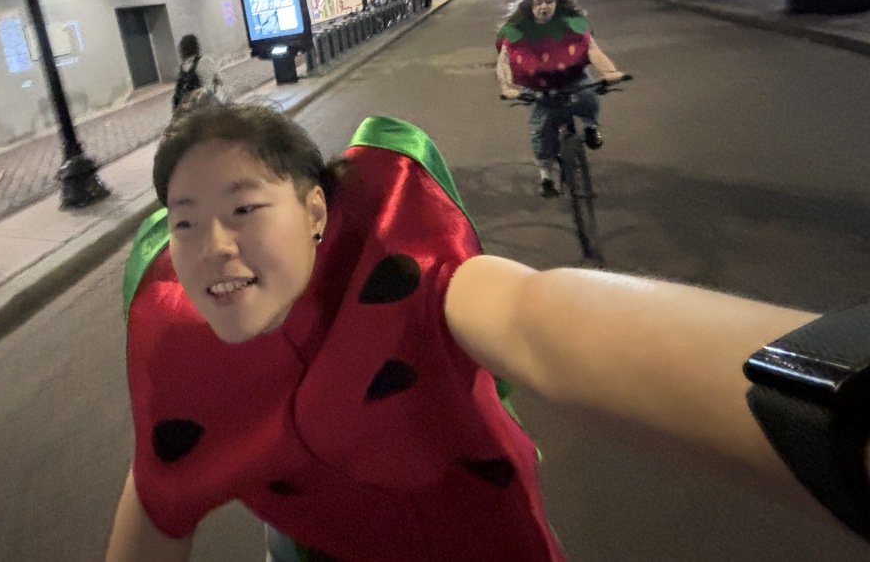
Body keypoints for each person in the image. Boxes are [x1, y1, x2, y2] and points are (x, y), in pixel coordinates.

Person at [105, 103, 868, 562]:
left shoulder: (405, 267)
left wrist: (837, 409)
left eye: (244, 209)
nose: (215, 247)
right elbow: (158, 484)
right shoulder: (179, 339)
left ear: (314, 212)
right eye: (185, 222)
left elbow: (538, 321)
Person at [496, 0, 625, 196]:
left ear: (558, 3)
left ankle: (590, 127)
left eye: (548, 1)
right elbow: (505, 60)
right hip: (537, 86)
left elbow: (592, 49)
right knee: (542, 130)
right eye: (538, 3)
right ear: (530, 7)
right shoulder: (517, 31)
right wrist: (507, 87)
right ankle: (546, 176)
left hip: (571, 79)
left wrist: (610, 73)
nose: (543, 7)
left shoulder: (572, 24)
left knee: (588, 96)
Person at [171, 34, 221, 113]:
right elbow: (215, 84)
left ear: (182, 51)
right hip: (204, 109)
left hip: (185, 112)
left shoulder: (182, 68)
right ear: (197, 47)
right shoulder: (205, 61)